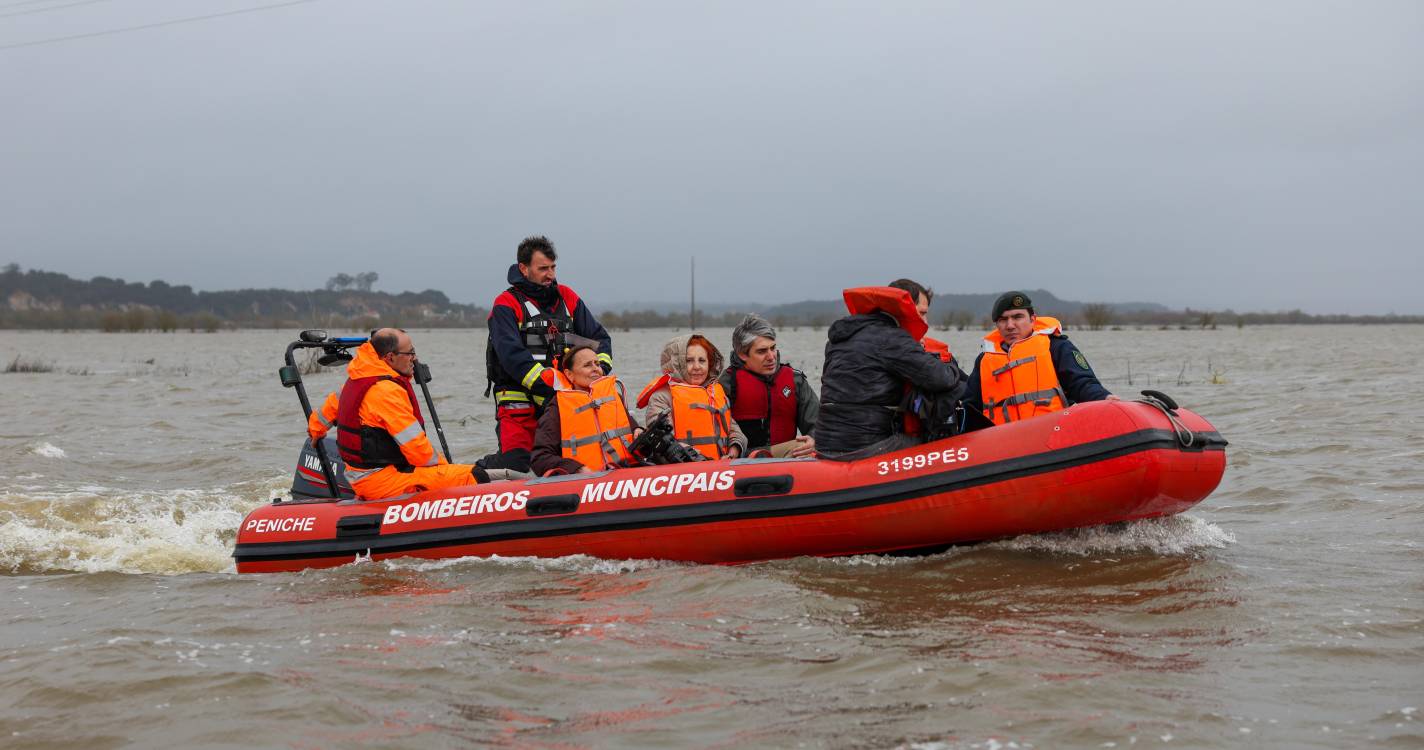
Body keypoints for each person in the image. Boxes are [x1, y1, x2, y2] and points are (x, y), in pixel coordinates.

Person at [308, 328, 490, 499]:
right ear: (390, 357)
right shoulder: (386, 391)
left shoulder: (357, 379)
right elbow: (418, 452)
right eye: (409, 353)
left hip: (363, 476)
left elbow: (324, 414)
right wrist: (446, 471)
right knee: (471, 476)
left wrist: (316, 430)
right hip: (381, 480)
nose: (414, 358)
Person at [484, 236, 613, 473]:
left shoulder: (567, 297)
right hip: (519, 403)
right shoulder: (506, 304)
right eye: (543, 268)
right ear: (524, 268)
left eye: (553, 267)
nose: (551, 274)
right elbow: (511, 356)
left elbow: (600, 340)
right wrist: (551, 383)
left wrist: (599, 371)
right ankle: (479, 472)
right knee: (516, 466)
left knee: (575, 459)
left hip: (565, 401)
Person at [814, 287, 967, 458]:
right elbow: (940, 378)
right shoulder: (892, 338)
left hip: (823, 442)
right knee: (934, 445)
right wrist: (952, 367)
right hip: (865, 444)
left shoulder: (838, 341)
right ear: (904, 313)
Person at [963, 291, 1118, 426]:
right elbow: (970, 407)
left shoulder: (1056, 347)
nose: (1010, 325)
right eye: (1003, 320)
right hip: (1002, 444)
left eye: (1018, 317)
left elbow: (1082, 383)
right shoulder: (984, 360)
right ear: (997, 324)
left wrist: (1104, 398)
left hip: (1051, 437)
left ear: (1032, 319)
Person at [717, 314, 819, 458]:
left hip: (787, 457)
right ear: (742, 354)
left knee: (806, 447)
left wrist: (814, 438)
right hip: (742, 458)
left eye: (773, 348)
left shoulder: (796, 380)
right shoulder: (725, 384)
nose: (771, 356)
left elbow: (818, 423)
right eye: (762, 351)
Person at [531, 345, 643, 476]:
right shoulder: (557, 407)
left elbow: (633, 430)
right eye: (587, 365)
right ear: (569, 374)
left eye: (597, 363)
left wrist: (639, 431)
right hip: (586, 483)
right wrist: (576, 469)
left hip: (626, 474)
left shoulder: (613, 397)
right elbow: (540, 458)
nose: (596, 368)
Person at [635, 334, 748, 460]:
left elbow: (734, 431)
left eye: (702, 361)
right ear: (677, 364)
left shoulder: (715, 394)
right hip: (683, 472)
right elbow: (664, 441)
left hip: (722, 468)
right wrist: (699, 459)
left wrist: (733, 452)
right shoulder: (663, 397)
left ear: (709, 363)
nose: (697, 367)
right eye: (689, 361)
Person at [887, 278, 958, 366]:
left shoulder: (939, 354)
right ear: (902, 311)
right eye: (921, 313)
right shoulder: (878, 353)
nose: (926, 322)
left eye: (925, 314)